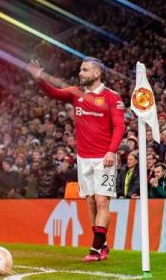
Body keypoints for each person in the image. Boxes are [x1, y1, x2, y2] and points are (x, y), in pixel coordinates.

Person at [28, 57, 125, 262]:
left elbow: (119, 126)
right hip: (83, 158)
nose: (80, 73)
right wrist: (39, 79)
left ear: (97, 73)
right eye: (81, 70)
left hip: (104, 159)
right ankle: (103, 245)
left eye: (85, 70)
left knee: (102, 201)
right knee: (90, 202)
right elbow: (53, 93)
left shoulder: (111, 97)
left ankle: (95, 249)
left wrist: (111, 151)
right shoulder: (76, 93)